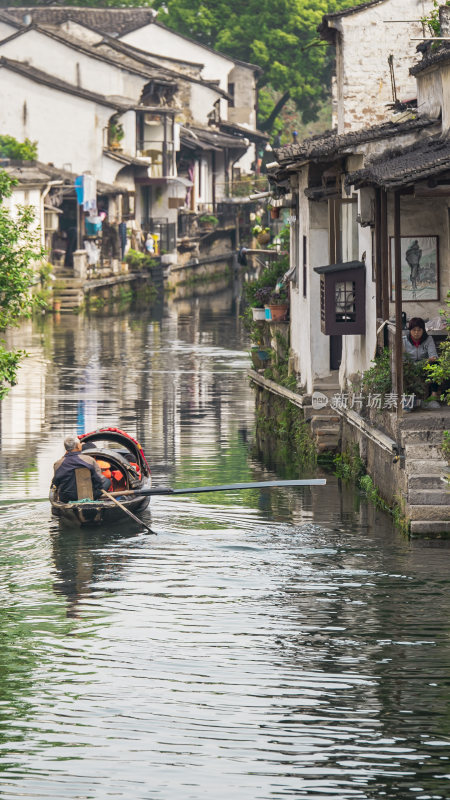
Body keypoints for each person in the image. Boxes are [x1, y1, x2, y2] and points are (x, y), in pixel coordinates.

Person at [52, 435, 111, 502]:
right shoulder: (89, 460)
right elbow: (98, 481)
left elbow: (55, 483)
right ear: (77, 446)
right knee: (107, 481)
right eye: (80, 444)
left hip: (66, 498)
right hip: (89, 496)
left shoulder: (57, 464)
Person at [403, 317, 440, 408]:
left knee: (435, 364)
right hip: (409, 366)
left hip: (424, 366)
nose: (416, 333)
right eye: (414, 330)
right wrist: (424, 361)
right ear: (410, 330)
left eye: (419, 330)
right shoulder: (404, 340)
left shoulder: (428, 339)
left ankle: (434, 395)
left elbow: (433, 356)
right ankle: (406, 399)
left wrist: (426, 361)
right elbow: (403, 359)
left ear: (423, 330)